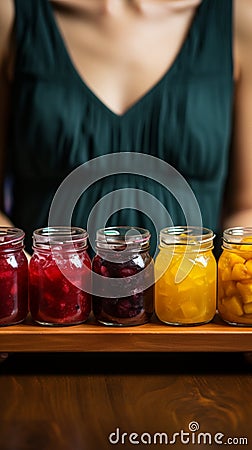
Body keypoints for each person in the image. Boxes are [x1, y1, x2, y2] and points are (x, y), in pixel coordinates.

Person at [0, 0, 252, 361]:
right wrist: (17, 288)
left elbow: (248, 209)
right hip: (43, 337)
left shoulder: (241, 18)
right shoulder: (10, 13)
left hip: (196, 346)